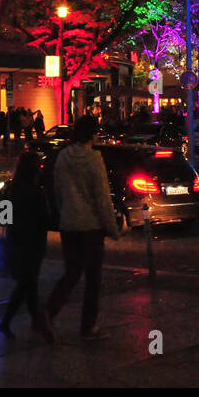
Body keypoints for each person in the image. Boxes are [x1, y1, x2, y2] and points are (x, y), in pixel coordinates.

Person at [45, 115, 121, 340]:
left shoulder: (63, 158)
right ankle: (88, 328)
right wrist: (112, 228)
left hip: (69, 224)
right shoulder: (93, 159)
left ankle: (48, 312)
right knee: (93, 279)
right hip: (90, 227)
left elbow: (57, 192)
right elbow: (102, 199)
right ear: (92, 134)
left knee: (72, 272)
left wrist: (63, 213)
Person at [0, 150, 56, 344]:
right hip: (33, 244)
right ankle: (34, 323)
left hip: (15, 242)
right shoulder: (37, 193)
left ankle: (29, 321)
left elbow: (3, 218)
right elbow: (46, 219)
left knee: (28, 284)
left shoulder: (10, 190)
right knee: (28, 283)